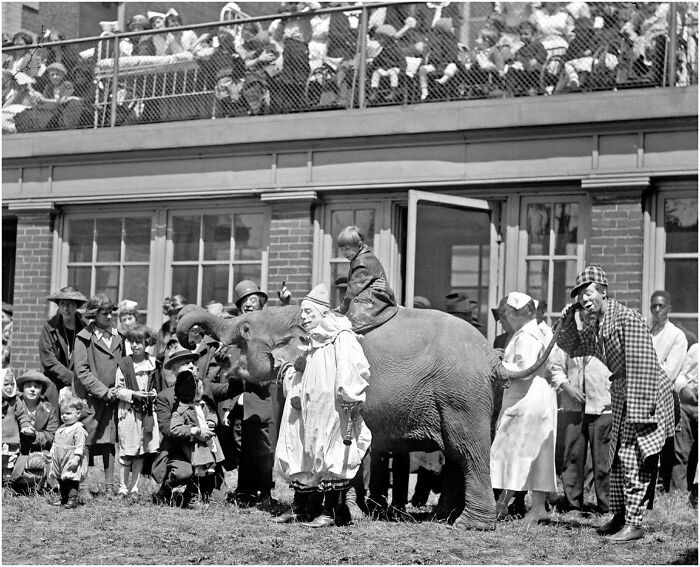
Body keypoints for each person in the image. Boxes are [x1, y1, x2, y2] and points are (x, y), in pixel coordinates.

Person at [557, 266, 675, 542]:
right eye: (579, 296)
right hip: (622, 392)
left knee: (634, 458)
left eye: (589, 293)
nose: (584, 299)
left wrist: (641, 411)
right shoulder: (598, 324)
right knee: (619, 460)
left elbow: (643, 365)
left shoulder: (626, 318)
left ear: (603, 292)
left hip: (644, 394)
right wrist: (569, 321)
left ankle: (634, 524)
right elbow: (573, 347)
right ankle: (621, 516)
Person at [274, 283, 372, 527]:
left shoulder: (340, 337)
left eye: (309, 312)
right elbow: (303, 372)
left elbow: (354, 367)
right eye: (303, 313)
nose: (305, 317)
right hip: (307, 409)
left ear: (323, 313)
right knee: (303, 453)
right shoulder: (310, 342)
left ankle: (330, 511)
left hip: (332, 409)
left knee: (329, 454)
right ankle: (301, 507)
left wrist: (349, 395)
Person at [491, 291, 557, 524]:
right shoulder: (529, 332)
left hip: (526, 400)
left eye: (506, 313)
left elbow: (523, 370)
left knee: (520, 452)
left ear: (517, 313)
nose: (504, 318)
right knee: (524, 454)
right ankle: (515, 506)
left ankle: (525, 507)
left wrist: (498, 363)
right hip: (532, 399)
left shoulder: (527, 336)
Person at [152, 348, 242, 506]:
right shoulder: (164, 397)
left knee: (219, 499)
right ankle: (166, 489)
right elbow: (167, 428)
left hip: (207, 451)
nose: (193, 366)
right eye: (186, 364)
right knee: (182, 473)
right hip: (179, 450)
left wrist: (229, 369)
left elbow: (234, 389)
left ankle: (191, 493)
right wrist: (195, 432)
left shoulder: (205, 387)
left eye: (194, 363)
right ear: (174, 369)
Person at [550, 334, 612, 514]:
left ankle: (606, 506)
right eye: (584, 309)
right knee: (572, 456)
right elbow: (556, 367)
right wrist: (567, 387)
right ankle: (573, 504)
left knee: (603, 459)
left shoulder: (608, 336)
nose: (589, 313)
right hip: (573, 408)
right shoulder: (569, 337)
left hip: (603, 404)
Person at [73, 293, 122, 498]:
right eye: (104, 313)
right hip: (91, 399)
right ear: (94, 314)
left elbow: (122, 366)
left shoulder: (118, 337)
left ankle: (109, 486)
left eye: (111, 312)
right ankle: (83, 486)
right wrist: (103, 391)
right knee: (87, 440)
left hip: (112, 399)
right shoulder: (84, 338)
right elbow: (81, 371)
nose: (109, 316)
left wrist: (117, 390)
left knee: (109, 441)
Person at [113, 326, 161, 498]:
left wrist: (153, 393)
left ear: (146, 343)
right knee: (127, 450)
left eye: (139, 342)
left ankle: (135, 487)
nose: (135, 345)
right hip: (129, 412)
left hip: (146, 412)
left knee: (141, 450)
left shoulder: (153, 363)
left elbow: (157, 385)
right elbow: (117, 390)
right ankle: (122, 486)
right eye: (131, 341)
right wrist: (133, 394)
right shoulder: (125, 363)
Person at [648, 290, 688, 492]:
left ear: (668, 308)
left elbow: (669, 371)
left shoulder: (676, 336)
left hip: (664, 396)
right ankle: (646, 484)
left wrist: (643, 369)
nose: (656, 310)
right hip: (642, 395)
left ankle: (661, 487)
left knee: (663, 443)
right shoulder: (646, 330)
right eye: (653, 306)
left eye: (660, 306)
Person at [169, 370, 224, 501]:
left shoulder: (203, 405)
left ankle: (206, 491)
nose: (203, 390)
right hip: (195, 446)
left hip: (208, 442)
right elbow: (174, 429)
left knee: (211, 469)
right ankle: (193, 492)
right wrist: (194, 430)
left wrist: (211, 422)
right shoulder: (181, 411)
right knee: (200, 469)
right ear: (192, 392)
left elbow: (212, 414)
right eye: (200, 388)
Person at [336, 225, 399, 334]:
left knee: (344, 327)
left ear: (359, 246)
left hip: (373, 301)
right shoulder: (364, 258)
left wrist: (342, 310)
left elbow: (352, 292)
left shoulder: (362, 263)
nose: (344, 253)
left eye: (347, 249)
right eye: (342, 249)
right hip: (376, 297)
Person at [9, 370, 58, 494]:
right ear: (22, 388)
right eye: (28, 386)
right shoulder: (13, 405)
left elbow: (51, 435)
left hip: (40, 450)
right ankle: (11, 484)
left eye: (36, 387)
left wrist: (34, 435)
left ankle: (45, 487)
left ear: (41, 390)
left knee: (48, 460)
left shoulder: (48, 408)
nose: (32, 389)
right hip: (16, 450)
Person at [39, 286, 88, 406]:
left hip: (80, 385)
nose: (66, 308)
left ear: (76, 306)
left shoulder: (85, 329)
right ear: (59, 306)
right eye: (62, 304)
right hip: (54, 383)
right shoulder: (49, 328)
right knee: (54, 418)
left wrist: (79, 382)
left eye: (70, 304)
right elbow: (48, 361)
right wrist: (72, 378)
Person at [49, 397, 89, 508]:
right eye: (62, 414)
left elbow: (80, 445)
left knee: (71, 478)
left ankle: (72, 499)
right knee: (61, 478)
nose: (64, 416)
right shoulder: (61, 428)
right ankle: (64, 498)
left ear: (78, 413)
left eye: (68, 413)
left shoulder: (78, 428)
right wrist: (51, 454)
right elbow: (55, 443)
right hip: (59, 457)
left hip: (71, 457)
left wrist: (76, 458)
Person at [673, 343, 698, 507]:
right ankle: (678, 497)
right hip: (688, 402)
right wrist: (683, 388)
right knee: (681, 451)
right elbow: (681, 376)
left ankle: (695, 496)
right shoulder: (696, 348)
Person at [2, 368, 34, 484]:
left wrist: (26, 426)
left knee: (8, 465)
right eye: (6, 384)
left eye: (12, 384)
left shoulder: (16, 401)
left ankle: (6, 485)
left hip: (11, 440)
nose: (9, 387)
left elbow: (22, 416)